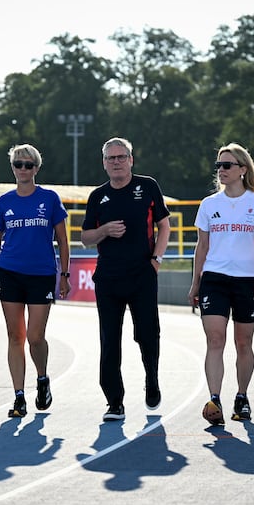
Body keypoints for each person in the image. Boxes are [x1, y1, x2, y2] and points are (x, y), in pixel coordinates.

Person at [81, 136, 171, 421]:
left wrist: (155, 261)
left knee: (147, 334)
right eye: (111, 158)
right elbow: (85, 238)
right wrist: (104, 230)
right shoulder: (98, 196)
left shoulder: (148, 186)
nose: (116, 162)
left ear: (131, 160)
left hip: (142, 274)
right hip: (108, 278)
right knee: (109, 340)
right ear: (104, 163)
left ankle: (152, 379)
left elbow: (164, 226)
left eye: (121, 157)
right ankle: (114, 401)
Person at [188, 143, 254, 426]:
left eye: (227, 165)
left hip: (247, 281)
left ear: (242, 169)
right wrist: (195, 283)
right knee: (215, 339)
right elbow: (201, 247)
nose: (222, 171)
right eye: (219, 166)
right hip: (214, 279)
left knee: (243, 342)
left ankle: (242, 396)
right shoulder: (209, 204)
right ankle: (215, 398)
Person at [0, 143, 71, 419]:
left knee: (35, 337)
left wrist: (64, 275)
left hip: (41, 274)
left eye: (28, 164)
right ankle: (19, 397)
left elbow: (63, 241)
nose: (23, 169)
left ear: (36, 168)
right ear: (12, 168)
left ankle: (42, 377)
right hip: (9, 273)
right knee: (15, 336)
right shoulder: (4, 202)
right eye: (18, 164)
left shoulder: (50, 199)